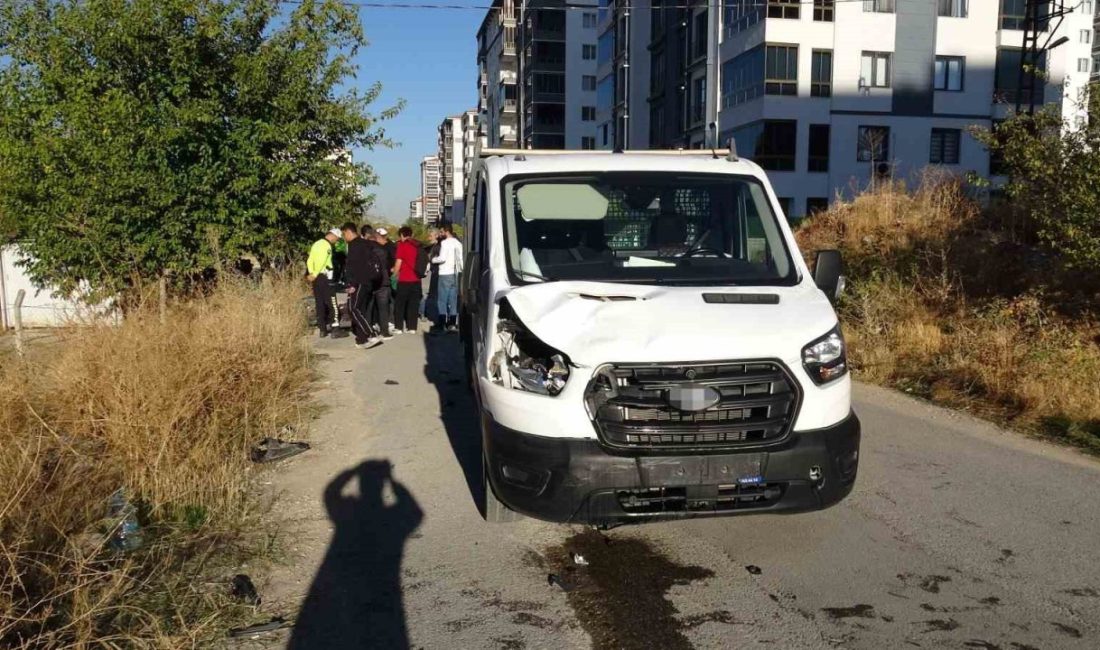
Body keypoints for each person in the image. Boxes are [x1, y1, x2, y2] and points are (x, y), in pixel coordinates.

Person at [341, 222, 383, 349]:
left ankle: (371, 334)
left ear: (348, 232)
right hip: (368, 282)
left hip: (358, 282)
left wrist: (351, 284)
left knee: (352, 308)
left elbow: (353, 266)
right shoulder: (366, 243)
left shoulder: (354, 245)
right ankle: (362, 339)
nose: (344, 237)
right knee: (361, 310)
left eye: (344, 234)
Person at [307, 228, 341, 338]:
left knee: (319, 303)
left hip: (316, 278)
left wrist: (312, 273)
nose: (336, 241)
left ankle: (322, 329)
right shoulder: (327, 246)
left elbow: (310, 259)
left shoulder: (316, 244)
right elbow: (322, 261)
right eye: (337, 238)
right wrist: (315, 273)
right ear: (332, 235)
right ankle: (335, 328)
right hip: (325, 277)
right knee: (332, 302)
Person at [361, 224, 393, 340]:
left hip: (369, 282)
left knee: (368, 308)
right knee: (383, 308)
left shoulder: (364, 249)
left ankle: (368, 331)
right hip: (383, 281)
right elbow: (388, 265)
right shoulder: (382, 250)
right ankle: (385, 332)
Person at [431, 222, 463, 333]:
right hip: (455, 273)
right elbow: (460, 260)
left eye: (441, 232)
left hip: (445, 273)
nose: (440, 234)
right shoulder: (458, 243)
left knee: (442, 300)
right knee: (453, 300)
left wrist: (434, 259)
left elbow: (442, 258)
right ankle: (452, 323)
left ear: (446, 231)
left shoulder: (445, 243)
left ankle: (442, 323)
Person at [392, 226, 423, 334]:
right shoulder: (417, 245)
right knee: (413, 304)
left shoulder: (402, 245)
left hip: (404, 279)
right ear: (411, 234)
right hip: (417, 279)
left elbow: (398, 262)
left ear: (401, 235)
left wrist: (394, 274)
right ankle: (412, 327)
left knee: (400, 305)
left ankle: (399, 327)